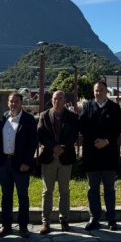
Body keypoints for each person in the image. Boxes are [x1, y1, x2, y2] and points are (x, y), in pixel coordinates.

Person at [78, 81, 121, 231]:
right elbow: (83, 127)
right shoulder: (87, 106)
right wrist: (94, 141)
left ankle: (112, 219)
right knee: (93, 189)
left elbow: (117, 128)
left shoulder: (115, 108)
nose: (99, 93)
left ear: (106, 91)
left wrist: (106, 141)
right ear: (94, 91)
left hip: (109, 154)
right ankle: (94, 218)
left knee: (110, 189)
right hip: (92, 154)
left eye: (102, 90)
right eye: (96, 90)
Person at [0, 93, 37, 238]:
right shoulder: (4, 117)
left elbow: (33, 143)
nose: (14, 104)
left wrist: (27, 162)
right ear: (8, 103)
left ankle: (23, 226)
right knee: (6, 196)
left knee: (22, 196)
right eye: (11, 101)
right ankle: (6, 226)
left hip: (20, 164)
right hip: (4, 163)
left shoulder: (29, 119)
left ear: (21, 103)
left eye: (16, 101)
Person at [38, 90, 80, 233]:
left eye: (60, 98)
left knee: (65, 191)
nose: (57, 100)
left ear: (65, 100)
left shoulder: (73, 117)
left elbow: (74, 135)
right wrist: (53, 147)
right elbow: (41, 134)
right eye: (55, 98)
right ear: (52, 100)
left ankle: (64, 220)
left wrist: (62, 148)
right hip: (49, 157)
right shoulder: (44, 115)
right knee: (47, 191)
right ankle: (46, 222)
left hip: (65, 157)